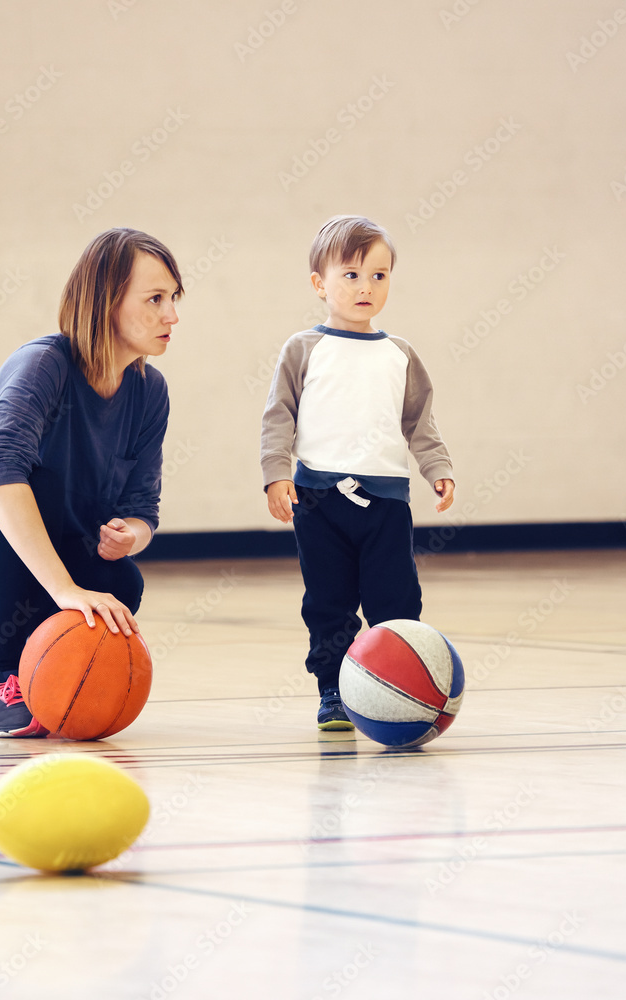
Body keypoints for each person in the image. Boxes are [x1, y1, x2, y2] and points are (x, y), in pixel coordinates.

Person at [0, 228, 182, 737]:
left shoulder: (149, 390)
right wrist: (66, 589)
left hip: (20, 571)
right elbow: (1, 475)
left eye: (174, 299)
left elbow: (144, 506)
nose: (172, 317)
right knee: (38, 484)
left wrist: (130, 536)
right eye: (155, 299)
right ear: (106, 302)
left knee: (122, 585)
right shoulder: (45, 362)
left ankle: (44, 682)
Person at [260, 215, 455, 730]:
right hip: (318, 500)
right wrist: (276, 472)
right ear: (319, 283)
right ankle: (333, 690)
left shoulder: (399, 354)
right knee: (328, 601)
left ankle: (403, 686)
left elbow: (419, 421)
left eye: (379, 275)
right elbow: (279, 415)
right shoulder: (304, 349)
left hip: (386, 504)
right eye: (350, 275)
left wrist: (437, 467)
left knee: (396, 599)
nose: (365, 287)